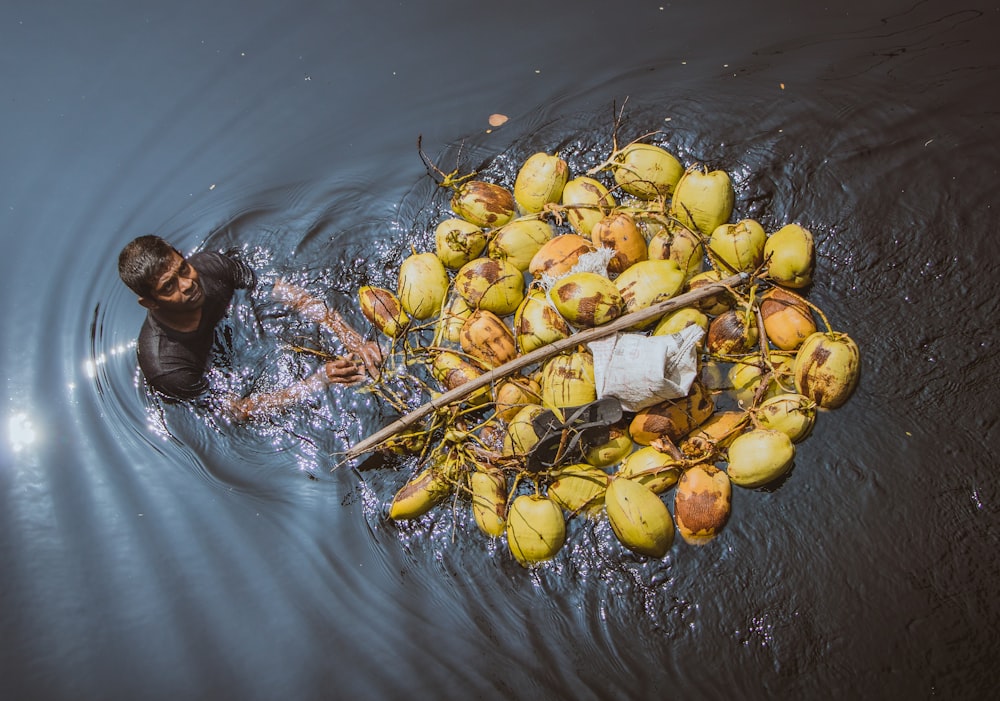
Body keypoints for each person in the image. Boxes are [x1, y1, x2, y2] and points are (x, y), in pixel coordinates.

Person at [117, 235, 381, 419]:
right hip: (223, 371)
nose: (187, 284)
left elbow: (285, 293)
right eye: (168, 287)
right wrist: (317, 381)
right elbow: (238, 411)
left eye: (183, 269)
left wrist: (349, 336)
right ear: (150, 303)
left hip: (242, 324)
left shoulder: (211, 266)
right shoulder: (167, 365)